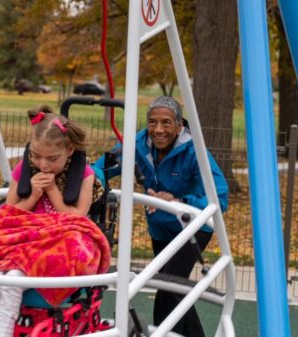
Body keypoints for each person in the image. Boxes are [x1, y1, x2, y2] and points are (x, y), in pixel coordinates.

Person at [0, 105, 105, 337]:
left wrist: (53, 190)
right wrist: (34, 195)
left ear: (70, 150)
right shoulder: (23, 170)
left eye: (52, 159)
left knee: (13, 279)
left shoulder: (85, 175)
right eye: (36, 156)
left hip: (56, 239)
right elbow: (9, 211)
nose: (43, 165)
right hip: (23, 236)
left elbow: (77, 218)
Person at [94, 96, 229, 337]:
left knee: (168, 291)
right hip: (161, 229)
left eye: (166, 123)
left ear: (179, 125)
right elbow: (101, 168)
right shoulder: (137, 144)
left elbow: (220, 196)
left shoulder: (193, 150)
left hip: (191, 229)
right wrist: (89, 185)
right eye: (152, 122)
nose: (158, 130)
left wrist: (180, 202)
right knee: (176, 291)